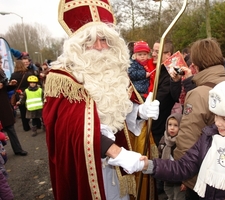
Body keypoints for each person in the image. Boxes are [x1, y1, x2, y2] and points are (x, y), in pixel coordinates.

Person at [42, 1, 160, 199]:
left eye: (104, 39)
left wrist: (138, 112)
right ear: (77, 44)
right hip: (88, 166)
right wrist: (117, 153)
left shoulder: (115, 70)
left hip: (118, 165)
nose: (99, 47)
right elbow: (71, 128)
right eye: (90, 40)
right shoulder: (64, 78)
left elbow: (114, 109)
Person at [169, 38, 225, 199]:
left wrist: (186, 177)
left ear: (194, 65)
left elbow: (187, 140)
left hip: (203, 177)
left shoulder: (199, 94)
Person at [150, 39, 182, 146]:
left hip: (158, 129)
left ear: (168, 55)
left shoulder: (170, 75)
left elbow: (159, 101)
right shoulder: (156, 70)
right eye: (153, 51)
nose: (153, 54)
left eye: (157, 52)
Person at [0, 58, 28, 156]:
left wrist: (10, 85)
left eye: (0, 61)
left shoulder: (1, 72)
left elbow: (5, 88)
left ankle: (18, 149)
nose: (0, 64)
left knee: (10, 128)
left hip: (4, 105)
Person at [158, 113, 186, 200]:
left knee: (178, 197)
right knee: (169, 194)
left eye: (176, 125)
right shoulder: (164, 139)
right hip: (167, 176)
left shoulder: (182, 141)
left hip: (179, 178)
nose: (172, 128)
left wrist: (185, 182)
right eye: (170, 125)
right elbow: (159, 154)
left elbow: (186, 164)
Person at [10, 60, 34, 131]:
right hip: (28, 92)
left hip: (18, 93)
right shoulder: (28, 74)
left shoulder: (13, 75)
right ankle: (35, 124)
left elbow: (11, 85)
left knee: (22, 110)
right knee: (31, 108)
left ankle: (26, 127)